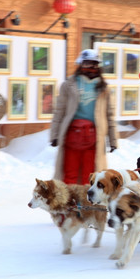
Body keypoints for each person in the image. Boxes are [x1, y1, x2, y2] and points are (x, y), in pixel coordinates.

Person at [50, 49, 118, 185]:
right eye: (87, 63)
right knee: (69, 173)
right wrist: (54, 135)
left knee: (91, 174)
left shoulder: (104, 88)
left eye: (94, 64)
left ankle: (87, 203)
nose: (91, 67)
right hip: (71, 137)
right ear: (80, 64)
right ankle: (69, 203)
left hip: (94, 137)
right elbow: (59, 111)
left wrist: (113, 140)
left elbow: (110, 115)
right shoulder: (68, 85)